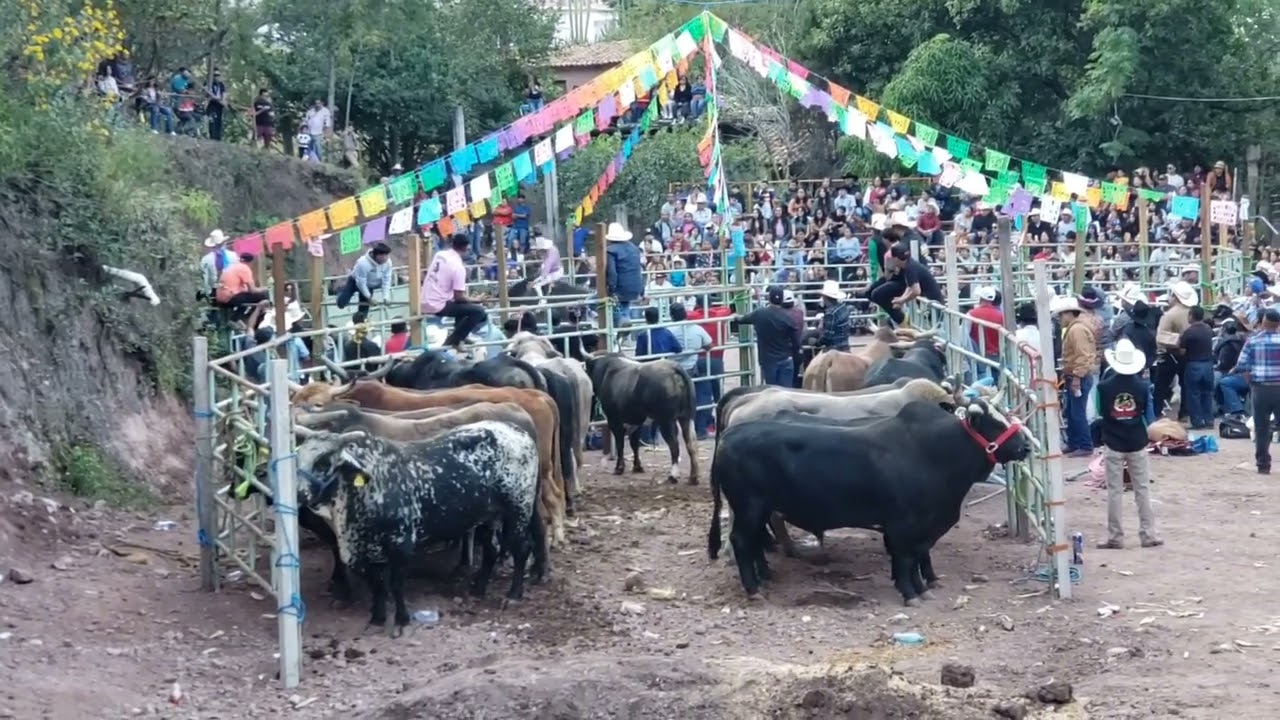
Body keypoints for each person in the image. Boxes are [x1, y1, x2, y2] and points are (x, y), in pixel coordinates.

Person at [1094, 338, 1162, 550]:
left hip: (1113, 440)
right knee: (1142, 489)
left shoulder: (1103, 387)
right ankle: (1148, 534)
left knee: (1114, 490)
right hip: (1137, 441)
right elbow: (1146, 414)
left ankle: (1115, 536)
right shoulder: (1142, 387)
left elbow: (1099, 412)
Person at [420, 234, 489, 352]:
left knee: (464, 308)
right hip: (437, 305)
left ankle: (461, 336)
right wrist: (476, 300)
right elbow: (459, 297)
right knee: (479, 311)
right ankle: (454, 340)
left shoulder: (439, 255)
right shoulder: (458, 267)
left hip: (424, 299)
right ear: (466, 248)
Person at [1233, 309, 1280, 474]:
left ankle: (1263, 465)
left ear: (1263, 321)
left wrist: (1250, 380)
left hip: (1261, 388)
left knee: (1261, 427)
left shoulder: (1253, 341)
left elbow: (1242, 365)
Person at [735, 287, 802, 387]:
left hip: (768, 360)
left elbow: (741, 320)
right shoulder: (788, 318)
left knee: (772, 391)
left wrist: (735, 317)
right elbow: (796, 342)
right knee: (786, 391)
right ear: (781, 300)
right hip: (786, 358)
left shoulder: (759, 313)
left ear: (769, 298)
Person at [1056, 296, 1097, 457]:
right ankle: (1075, 442)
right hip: (1075, 374)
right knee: (1073, 411)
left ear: (1068, 314)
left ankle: (1085, 444)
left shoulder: (1077, 330)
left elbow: (1083, 355)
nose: (1060, 319)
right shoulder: (1077, 328)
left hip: (1077, 375)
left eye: (1061, 315)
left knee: (1077, 412)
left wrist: (1077, 377)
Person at [868, 241, 944, 327]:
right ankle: (904, 322)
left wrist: (902, 300)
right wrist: (901, 300)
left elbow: (916, 291)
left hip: (933, 306)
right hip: (929, 304)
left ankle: (903, 322)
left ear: (895, 259)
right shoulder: (909, 265)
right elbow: (909, 287)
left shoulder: (910, 268)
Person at [688, 298, 732, 436]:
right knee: (719, 394)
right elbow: (728, 308)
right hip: (716, 359)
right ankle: (720, 425)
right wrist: (712, 308)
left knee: (703, 394)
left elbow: (686, 313)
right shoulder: (720, 314)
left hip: (699, 359)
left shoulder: (692, 316)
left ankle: (702, 427)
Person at [669, 303, 713, 439]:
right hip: (691, 369)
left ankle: (670, 433)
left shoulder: (668, 330)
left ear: (671, 316)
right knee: (703, 394)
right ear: (685, 314)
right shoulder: (696, 328)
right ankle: (701, 429)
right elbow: (709, 345)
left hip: (671, 370)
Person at [1154, 280, 1196, 418]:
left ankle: (1156, 412)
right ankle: (1185, 412)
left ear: (1175, 297)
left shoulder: (1170, 315)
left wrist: (1177, 342)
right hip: (1188, 354)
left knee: (1161, 386)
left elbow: (1161, 337)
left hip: (1170, 354)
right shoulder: (1192, 312)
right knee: (1186, 385)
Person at [336, 242, 393, 324]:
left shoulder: (388, 262)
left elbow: (386, 280)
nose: (385, 259)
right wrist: (369, 298)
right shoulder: (363, 263)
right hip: (355, 281)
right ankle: (341, 291)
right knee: (341, 304)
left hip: (370, 285)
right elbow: (361, 283)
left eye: (387, 256)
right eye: (383, 256)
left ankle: (359, 328)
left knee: (363, 314)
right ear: (376, 255)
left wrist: (386, 297)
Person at [1178, 305, 1215, 428]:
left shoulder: (1188, 332)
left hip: (1194, 364)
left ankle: (1197, 421)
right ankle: (1209, 420)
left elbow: (1182, 351)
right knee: (1207, 393)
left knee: (1193, 394)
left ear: (1192, 316)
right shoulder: (1208, 329)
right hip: (1208, 365)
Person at [603, 222, 644, 334]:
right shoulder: (634, 249)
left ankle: (621, 320)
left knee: (593, 302)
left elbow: (612, 272)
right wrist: (642, 289)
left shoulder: (610, 250)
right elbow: (638, 269)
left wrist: (611, 288)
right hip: (635, 284)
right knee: (624, 306)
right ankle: (624, 328)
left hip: (620, 286)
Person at [215, 253, 269, 318]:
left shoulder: (231, 267)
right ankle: (246, 319)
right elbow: (253, 290)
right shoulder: (244, 268)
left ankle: (238, 318)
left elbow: (241, 289)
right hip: (230, 298)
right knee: (262, 296)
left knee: (245, 298)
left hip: (220, 298)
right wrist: (265, 289)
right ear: (251, 262)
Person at [968, 285, 1003, 379]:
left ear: (981, 298)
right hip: (996, 355)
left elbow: (964, 335)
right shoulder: (1001, 316)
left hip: (978, 355)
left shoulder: (972, 314)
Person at [1216, 320, 1249, 420]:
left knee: (1221, 382)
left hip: (1237, 373)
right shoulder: (1243, 340)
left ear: (1224, 330)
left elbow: (1223, 363)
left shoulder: (1226, 344)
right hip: (1244, 372)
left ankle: (1233, 409)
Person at [199, 229, 237, 301]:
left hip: (215, 292)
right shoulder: (234, 256)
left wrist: (208, 294)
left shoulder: (205, 259)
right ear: (224, 242)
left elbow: (205, 280)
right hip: (233, 290)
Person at [816, 280, 851, 352]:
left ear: (825, 297)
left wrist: (817, 343)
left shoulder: (830, 313)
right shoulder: (843, 307)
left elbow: (828, 336)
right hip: (845, 346)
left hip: (834, 349)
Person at [205, 68, 226, 141]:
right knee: (212, 120)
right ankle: (212, 137)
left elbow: (224, 93)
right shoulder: (209, 84)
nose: (217, 77)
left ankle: (218, 137)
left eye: (218, 75)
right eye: (215, 75)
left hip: (219, 105)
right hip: (211, 104)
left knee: (218, 121)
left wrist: (223, 101)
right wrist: (215, 98)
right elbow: (208, 94)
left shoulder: (221, 85)